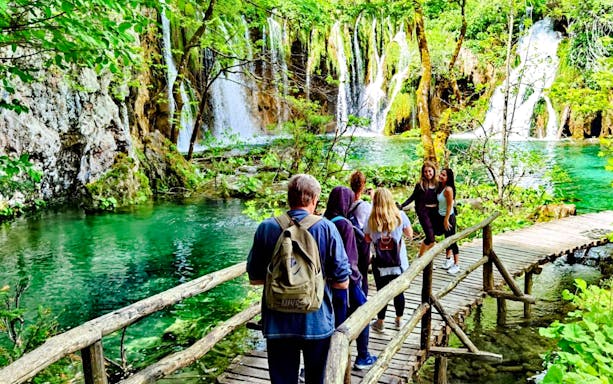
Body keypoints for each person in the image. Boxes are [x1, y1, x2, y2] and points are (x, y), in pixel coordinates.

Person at [247, 174, 351, 384]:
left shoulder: (266, 228)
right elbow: (342, 282)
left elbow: (255, 279)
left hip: (277, 323)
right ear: (314, 199)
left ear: (288, 198)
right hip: (317, 322)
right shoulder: (326, 228)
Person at [324, 186, 377, 370]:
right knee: (364, 312)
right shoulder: (345, 224)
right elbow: (349, 258)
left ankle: (320, 365)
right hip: (346, 281)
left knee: (331, 323)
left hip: (326, 282)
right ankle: (363, 356)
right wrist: (357, 280)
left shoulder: (323, 221)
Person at [365, 187, 413, 332]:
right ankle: (399, 320)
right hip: (398, 262)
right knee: (399, 292)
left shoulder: (371, 219)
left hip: (380, 263)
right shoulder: (400, 216)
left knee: (381, 292)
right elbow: (409, 234)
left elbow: (367, 238)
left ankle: (380, 322)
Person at [398, 161, 439, 257]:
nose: (428, 174)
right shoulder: (420, 185)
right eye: (425, 172)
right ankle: (421, 256)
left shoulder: (438, 184)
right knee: (430, 237)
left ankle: (428, 258)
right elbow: (412, 197)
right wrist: (402, 206)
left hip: (435, 213)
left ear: (434, 171)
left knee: (432, 237)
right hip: (424, 213)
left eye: (430, 171)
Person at [348, 170, 373, 295]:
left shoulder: (345, 202)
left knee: (350, 273)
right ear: (363, 185)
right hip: (362, 243)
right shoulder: (365, 206)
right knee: (363, 273)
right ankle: (363, 300)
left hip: (348, 242)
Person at [437, 168, 461, 274]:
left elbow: (450, 205)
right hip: (441, 216)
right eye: (441, 174)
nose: (441, 176)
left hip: (449, 217)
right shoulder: (440, 187)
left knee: (452, 240)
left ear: (448, 178)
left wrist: (446, 219)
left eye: (444, 175)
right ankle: (448, 259)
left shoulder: (448, 190)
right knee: (446, 238)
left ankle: (456, 264)